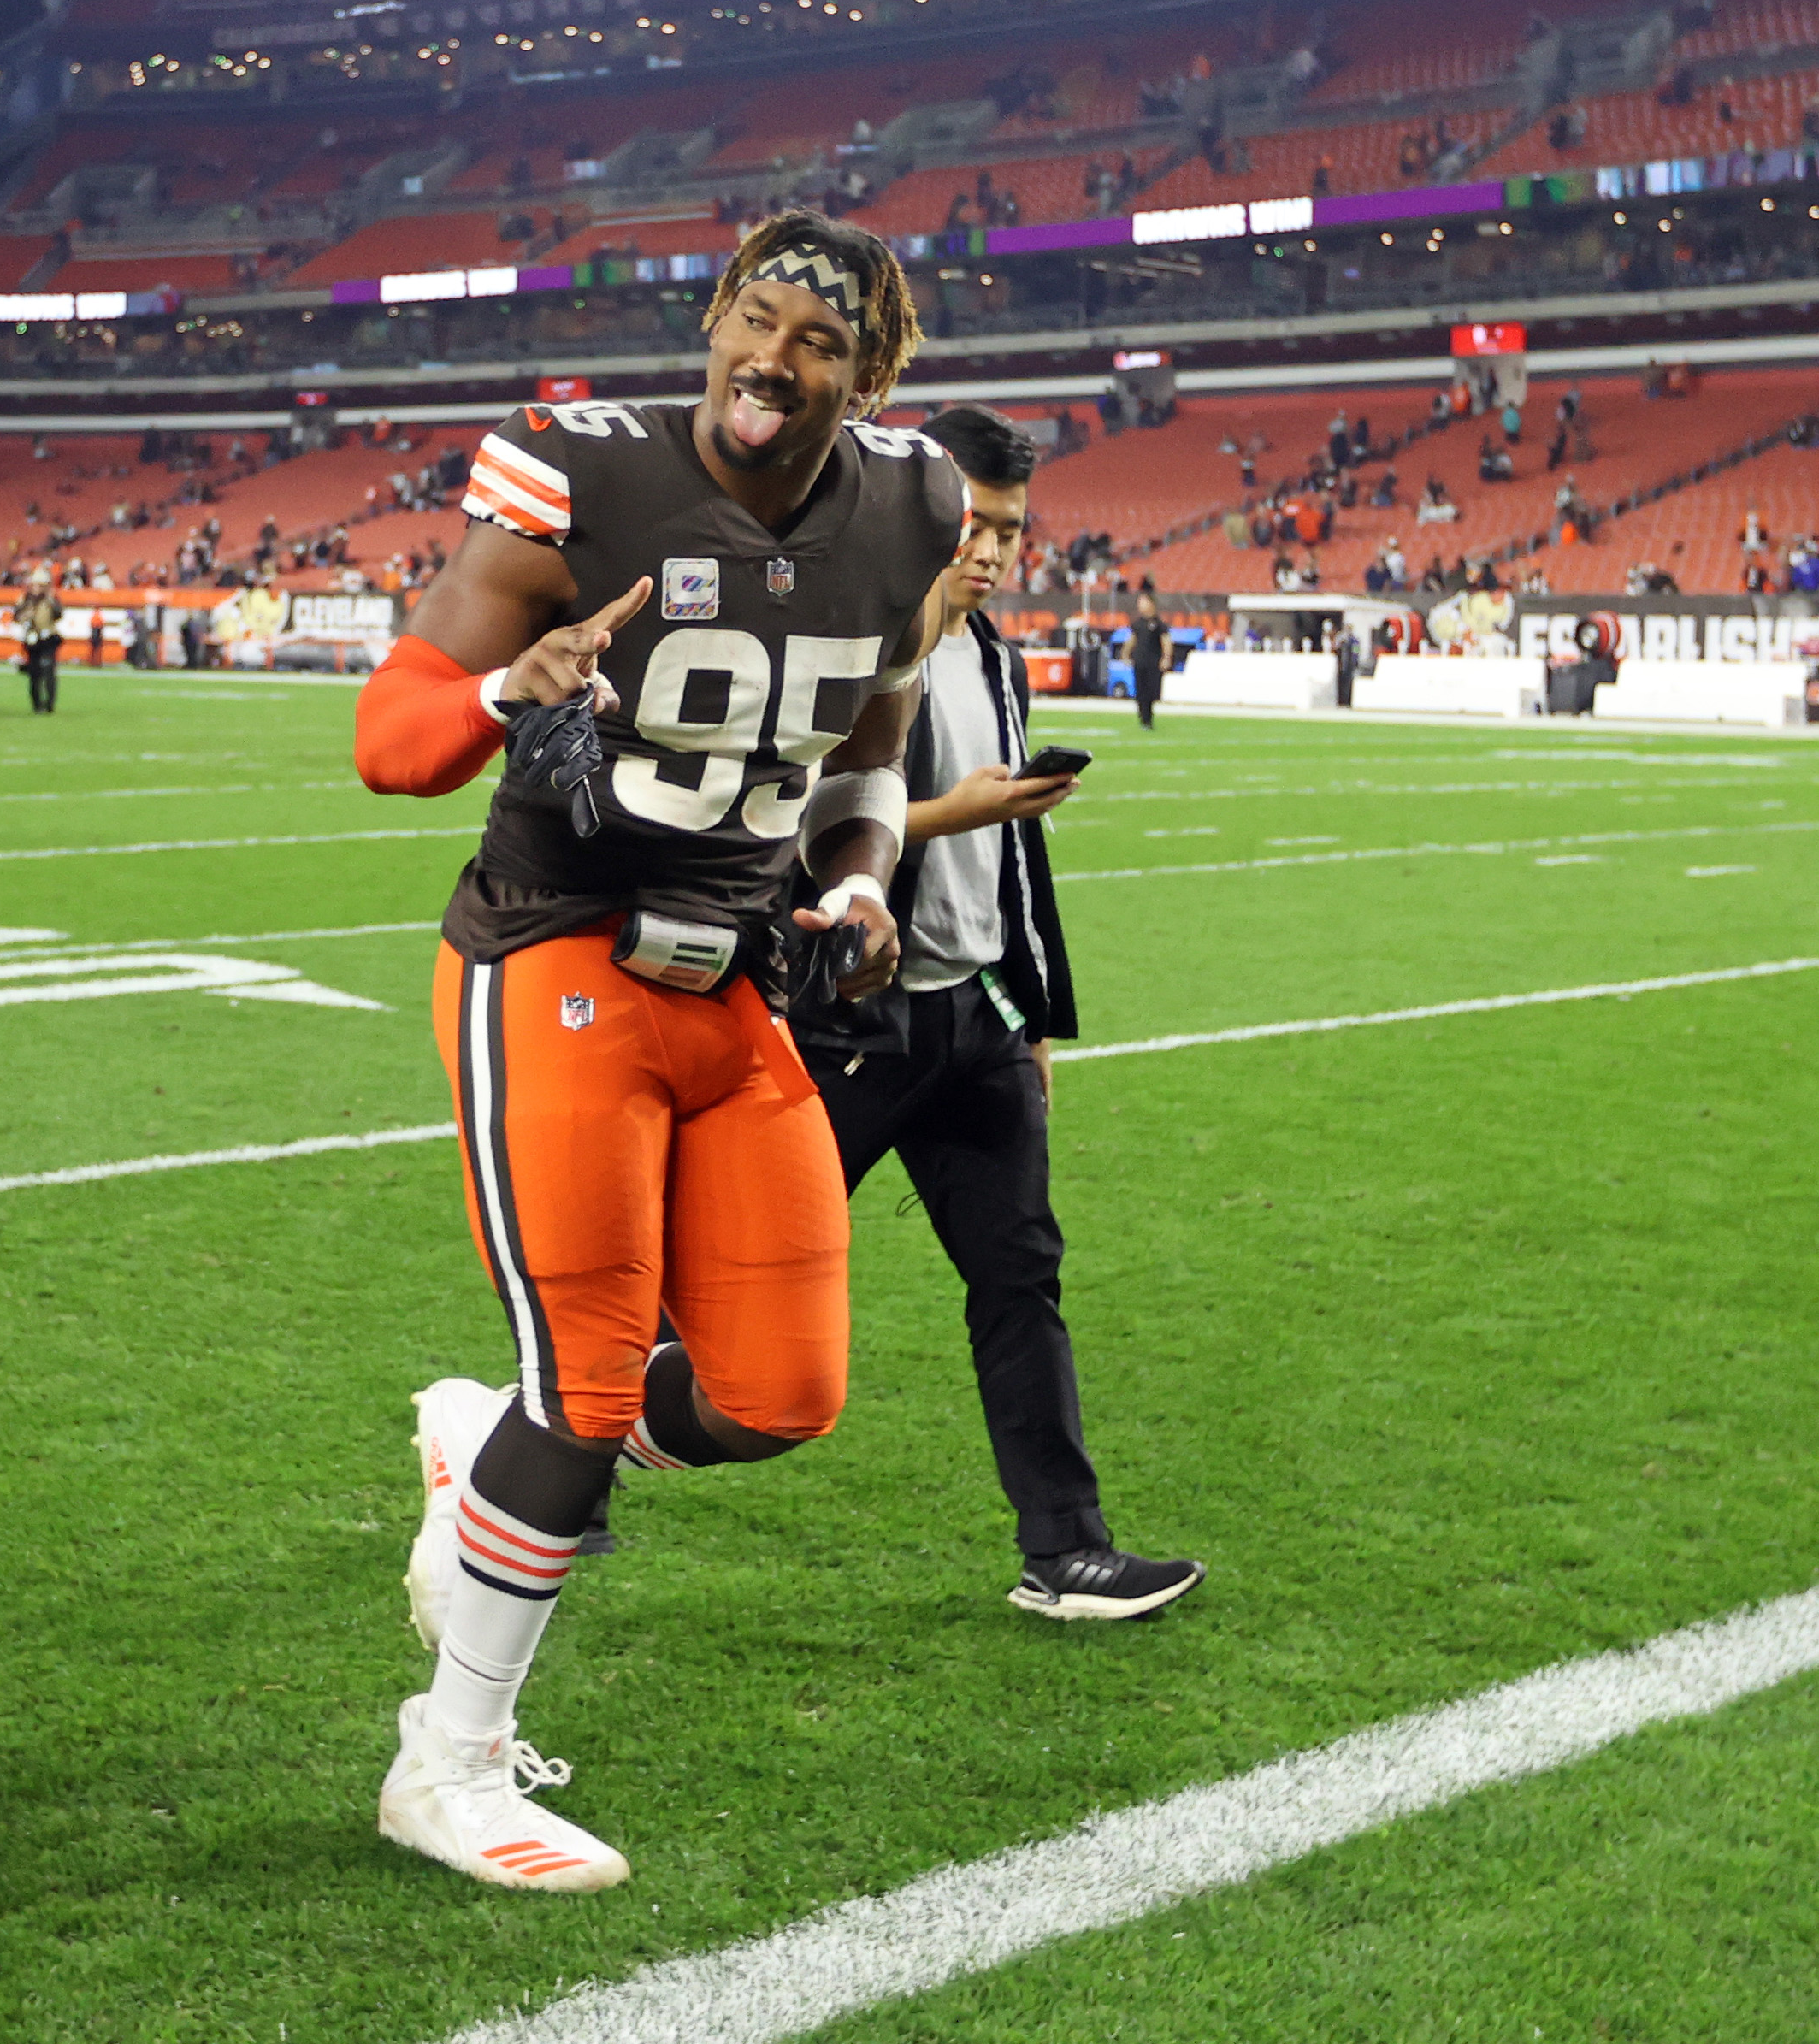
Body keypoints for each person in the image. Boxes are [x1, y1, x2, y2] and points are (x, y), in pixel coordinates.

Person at [349, 210, 959, 1893]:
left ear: (866, 373)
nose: (773, 360)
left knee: (777, 1395)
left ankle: (484, 1449)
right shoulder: (576, 478)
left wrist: (856, 881)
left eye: (816, 341)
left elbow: (869, 762)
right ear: (711, 324)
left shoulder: (911, 514)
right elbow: (386, 742)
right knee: (593, 1376)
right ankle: (445, 1765)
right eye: (752, 320)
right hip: (550, 951)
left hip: (729, 988)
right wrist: (498, 695)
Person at [796, 405, 1197, 1616]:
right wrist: (940, 815)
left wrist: (1028, 1018)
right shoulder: (844, 643)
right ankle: (534, 1457)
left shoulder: (1000, 658)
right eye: (968, 522)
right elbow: (779, 836)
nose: (985, 548)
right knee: (724, 1279)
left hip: (969, 1021)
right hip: (849, 1028)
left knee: (1021, 1273)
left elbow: (1013, 867)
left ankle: (1063, 1548)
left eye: (1007, 530)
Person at [15, 568, 64, 713]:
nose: (39, 588)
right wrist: (26, 614)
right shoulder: (25, 599)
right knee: (34, 674)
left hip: (48, 638)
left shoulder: (51, 599)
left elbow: (58, 614)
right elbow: (16, 615)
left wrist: (50, 600)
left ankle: (49, 704)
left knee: (49, 672)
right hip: (32, 639)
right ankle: (36, 704)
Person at [1130, 590, 1166, 728]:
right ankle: (1143, 719)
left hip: (1153, 662)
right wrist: (1125, 653)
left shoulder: (1158, 624)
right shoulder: (1138, 623)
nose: (1140, 605)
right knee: (1140, 692)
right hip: (1139, 661)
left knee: (1151, 691)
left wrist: (1166, 657)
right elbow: (1132, 639)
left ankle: (1148, 719)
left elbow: (1166, 641)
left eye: (1143, 602)